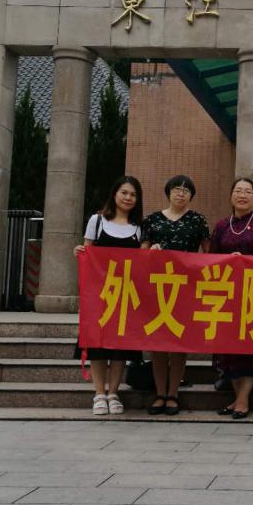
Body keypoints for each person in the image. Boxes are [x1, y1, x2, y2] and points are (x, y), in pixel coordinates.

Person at [73, 176, 144, 416]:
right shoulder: (97, 221)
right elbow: (88, 251)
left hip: (126, 296)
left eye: (133, 195)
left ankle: (113, 392)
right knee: (97, 344)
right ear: (114, 194)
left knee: (120, 346)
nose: (128, 198)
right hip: (99, 295)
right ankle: (99, 393)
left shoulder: (139, 227)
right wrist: (80, 252)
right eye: (124, 193)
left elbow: (143, 261)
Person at [140, 175, 210, 416]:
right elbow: (141, 253)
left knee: (179, 341)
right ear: (168, 192)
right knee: (158, 342)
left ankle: (173, 394)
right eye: (177, 189)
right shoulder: (152, 220)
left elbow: (209, 254)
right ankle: (160, 394)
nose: (181, 193)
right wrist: (151, 252)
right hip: (158, 288)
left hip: (186, 288)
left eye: (186, 190)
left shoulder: (198, 220)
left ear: (191, 196)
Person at [210, 178, 253, 420]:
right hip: (227, 295)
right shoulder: (221, 225)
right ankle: (237, 397)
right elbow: (211, 258)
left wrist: (247, 262)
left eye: (248, 191)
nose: (242, 195)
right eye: (238, 190)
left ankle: (243, 400)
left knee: (251, 348)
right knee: (229, 348)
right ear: (231, 195)